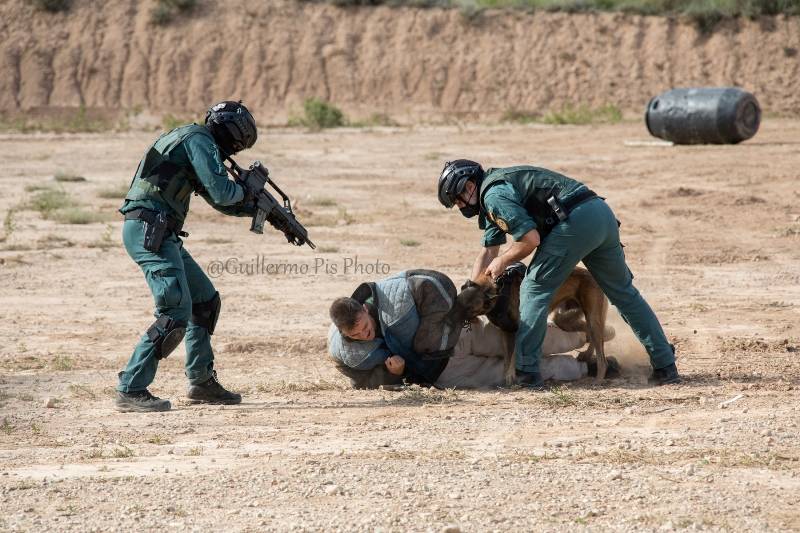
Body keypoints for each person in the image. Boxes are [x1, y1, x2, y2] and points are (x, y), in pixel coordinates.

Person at [436, 160, 681, 389]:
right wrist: (472, 291)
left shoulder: (494, 196)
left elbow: (530, 240)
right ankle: (664, 364)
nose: (458, 206)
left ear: (468, 187)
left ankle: (526, 371)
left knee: (533, 290)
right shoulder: (496, 190)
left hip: (572, 222)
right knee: (624, 293)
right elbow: (488, 252)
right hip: (599, 214)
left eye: (457, 200)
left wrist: (504, 260)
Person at [115, 101, 259, 412]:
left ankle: (201, 381)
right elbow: (223, 192)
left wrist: (257, 208)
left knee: (205, 301)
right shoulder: (199, 140)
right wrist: (248, 195)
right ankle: (131, 387)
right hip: (149, 228)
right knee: (175, 309)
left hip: (159, 230)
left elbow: (218, 199)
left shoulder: (193, 140)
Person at [327, 270, 603, 389]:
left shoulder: (391, 297)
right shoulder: (348, 350)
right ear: (344, 335)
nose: (365, 335)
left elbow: (430, 290)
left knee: (525, 339)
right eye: (356, 336)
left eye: (364, 328)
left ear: (364, 309)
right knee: (511, 373)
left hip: (461, 333)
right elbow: (367, 381)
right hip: (448, 371)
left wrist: (452, 319)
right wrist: (394, 372)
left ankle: (586, 336)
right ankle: (582, 369)